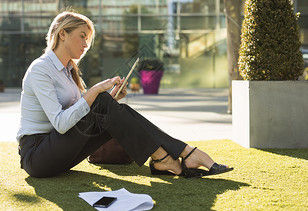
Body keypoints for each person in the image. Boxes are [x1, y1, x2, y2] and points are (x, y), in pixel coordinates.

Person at [17, 11, 233, 179]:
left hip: (61, 153)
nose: (85, 44)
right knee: (101, 101)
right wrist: (94, 92)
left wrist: (110, 98)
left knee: (108, 105)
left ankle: (174, 156)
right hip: (39, 156)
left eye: (88, 40)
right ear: (62, 34)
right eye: (82, 36)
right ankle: (177, 155)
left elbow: (83, 112)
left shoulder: (68, 71)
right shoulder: (41, 69)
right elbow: (61, 123)